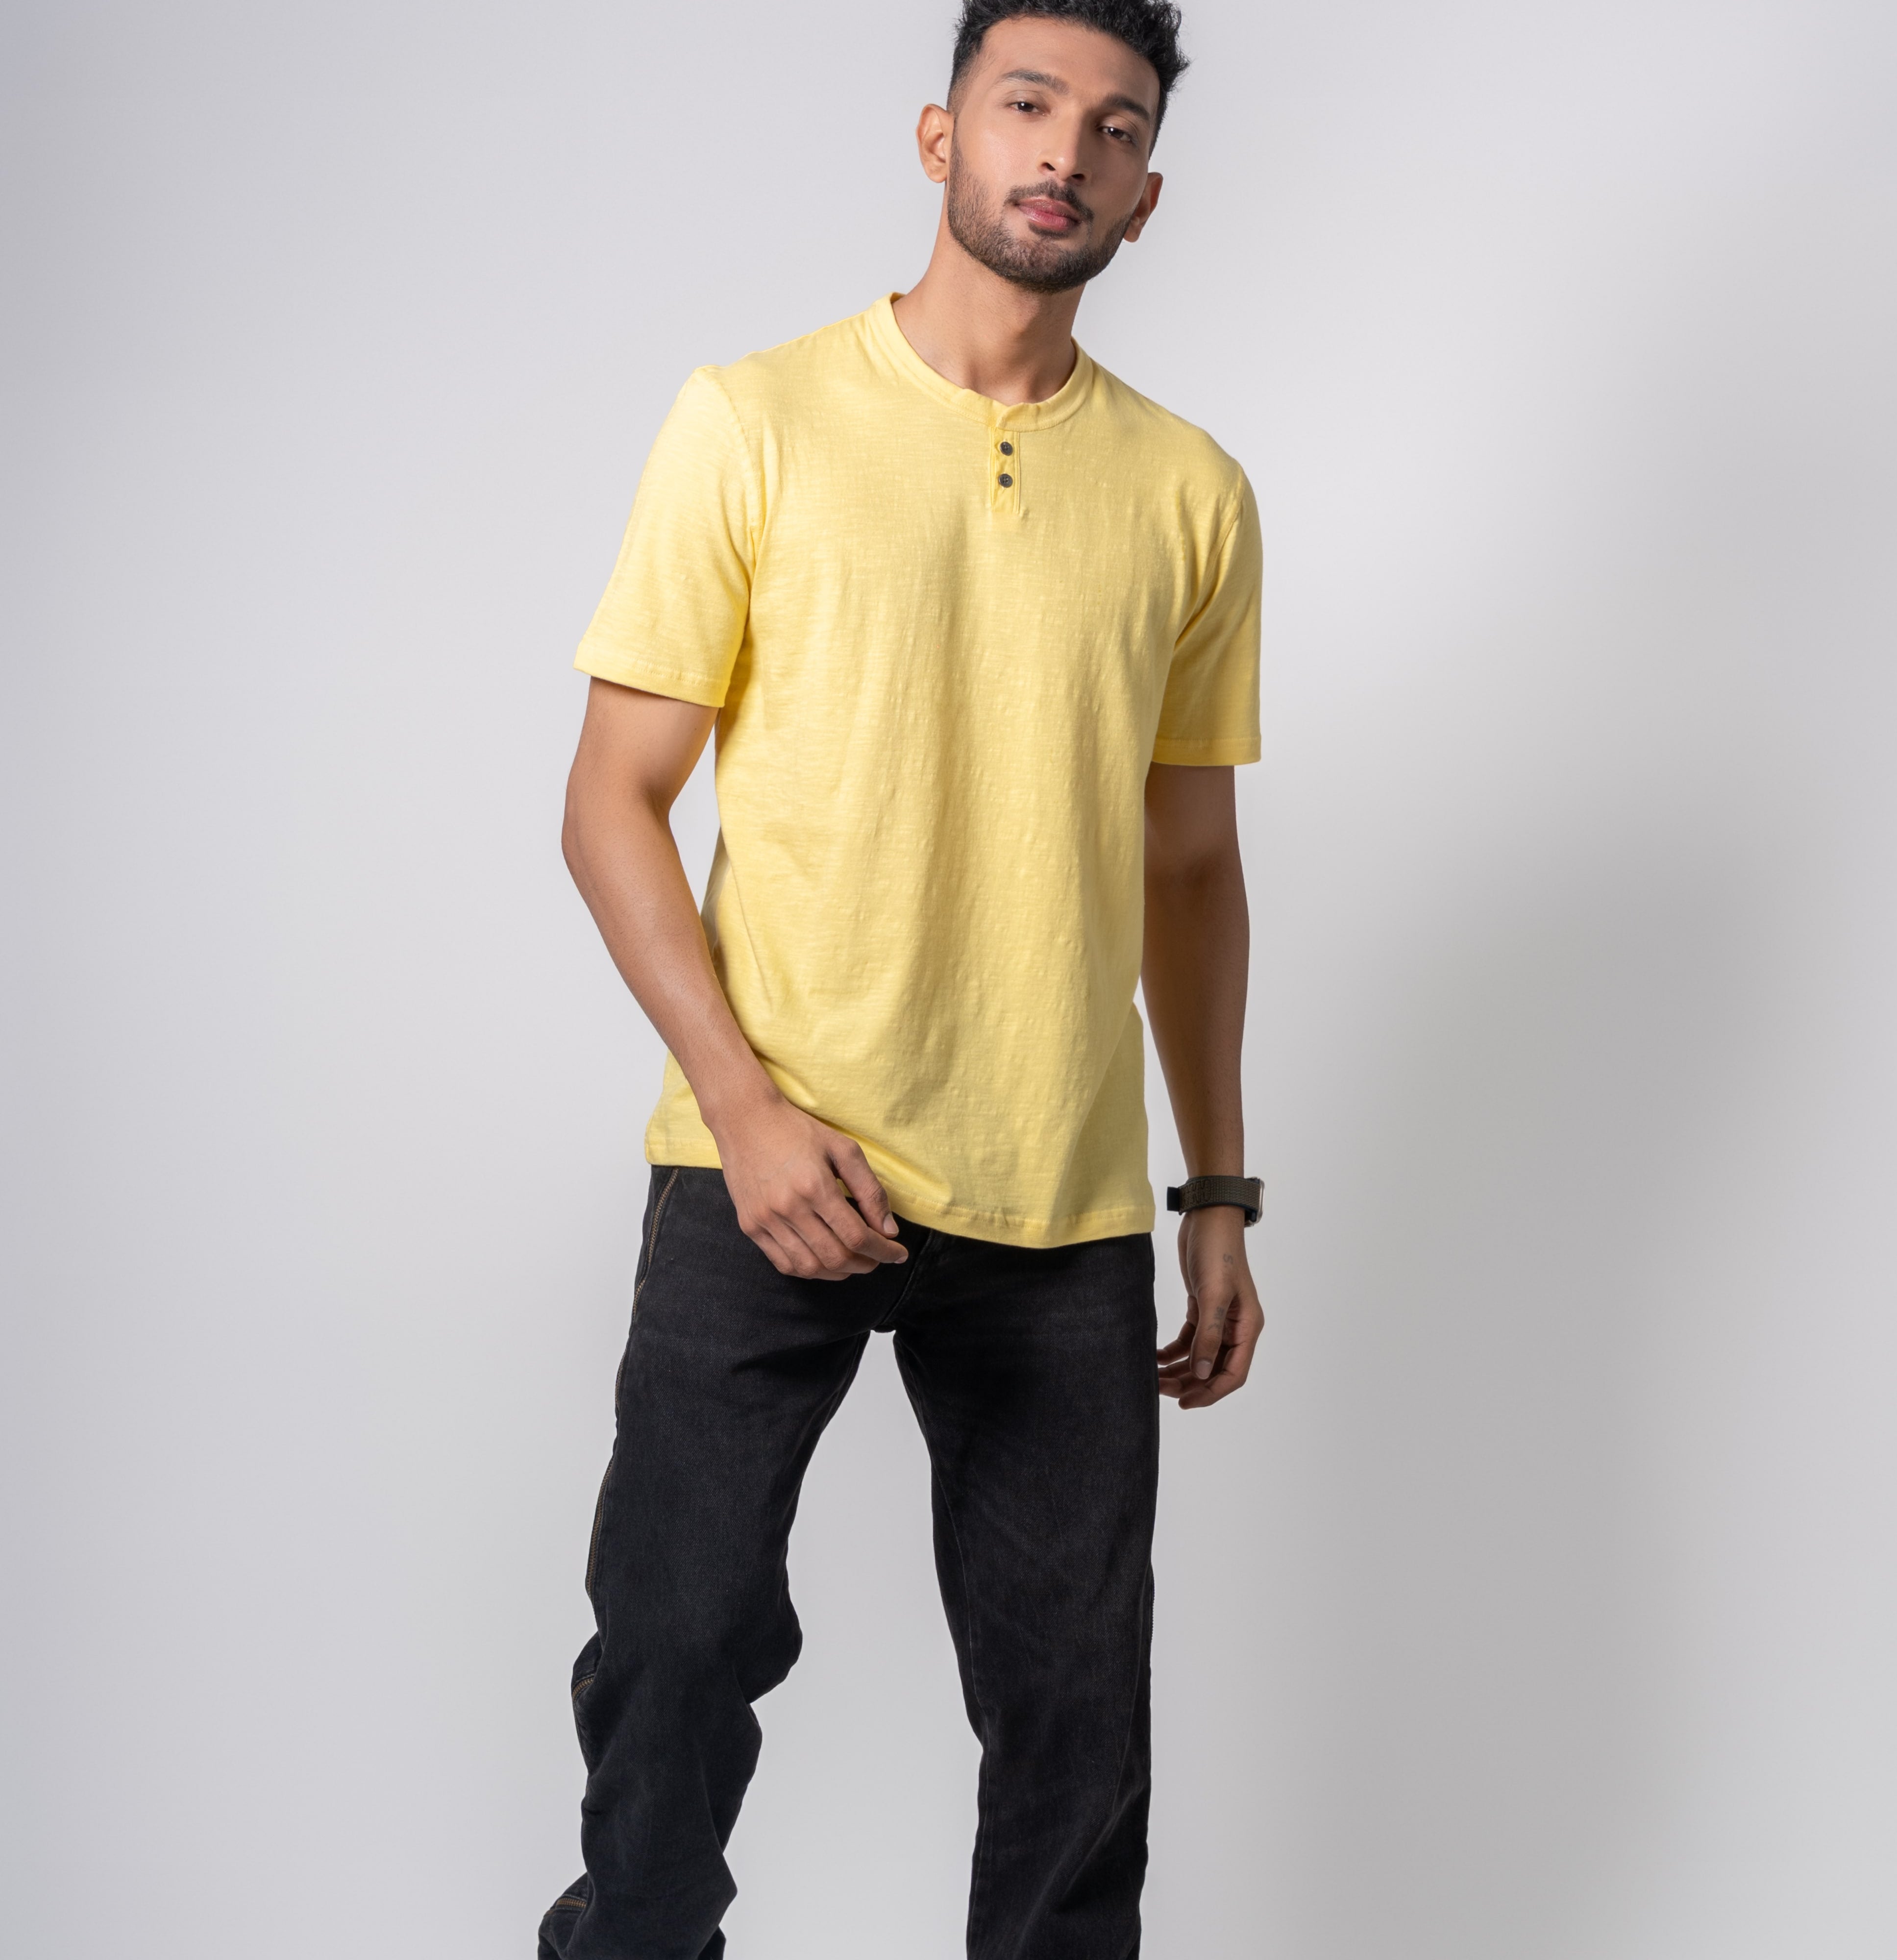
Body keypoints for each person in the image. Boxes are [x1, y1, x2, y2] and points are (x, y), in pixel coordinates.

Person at [542, 3, 1266, 1954]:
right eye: (1027, 104)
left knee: (1074, 1731)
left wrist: (1215, 1190)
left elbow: (1189, 866)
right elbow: (610, 801)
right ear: (940, 134)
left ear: (1147, 192)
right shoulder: (755, 418)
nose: (1066, 152)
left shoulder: (1190, 492)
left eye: (1115, 128)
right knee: (676, 1650)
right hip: (764, 1157)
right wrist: (748, 1108)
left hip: (1057, 1198)